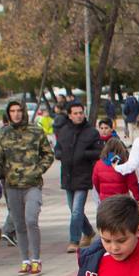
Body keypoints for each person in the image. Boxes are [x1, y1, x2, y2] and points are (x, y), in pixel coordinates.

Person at [0, 100, 55, 276]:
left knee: (31, 219)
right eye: (13, 111)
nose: (16, 114)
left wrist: (38, 170)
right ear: (8, 113)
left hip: (32, 184)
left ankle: (36, 259)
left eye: (19, 110)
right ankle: (25, 259)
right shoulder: (2, 134)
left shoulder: (35, 131)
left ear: (24, 112)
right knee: (19, 224)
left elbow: (48, 154)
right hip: (12, 185)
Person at [53, 100, 102, 252]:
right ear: (70, 115)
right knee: (73, 209)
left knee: (76, 210)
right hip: (68, 175)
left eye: (81, 113)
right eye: (75, 113)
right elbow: (57, 150)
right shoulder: (64, 131)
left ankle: (74, 240)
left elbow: (99, 151)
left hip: (83, 175)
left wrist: (84, 154)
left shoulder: (91, 132)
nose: (79, 116)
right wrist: (61, 155)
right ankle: (88, 231)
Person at [93, 136, 139, 201]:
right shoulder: (125, 164)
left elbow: (95, 182)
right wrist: (138, 197)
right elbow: (132, 183)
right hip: (122, 200)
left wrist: (101, 193)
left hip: (105, 200)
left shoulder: (98, 164)